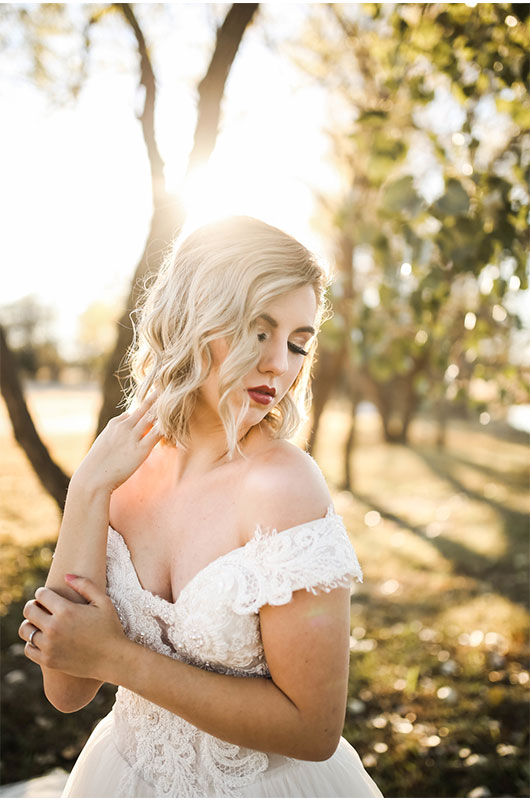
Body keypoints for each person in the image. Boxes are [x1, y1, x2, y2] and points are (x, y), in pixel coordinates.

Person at [19, 216, 383, 798]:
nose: (279, 366)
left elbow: (314, 730)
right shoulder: (118, 466)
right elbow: (66, 689)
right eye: (257, 331)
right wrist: (87, 489)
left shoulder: (284, 486)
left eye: (297, 343)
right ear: (195, 318)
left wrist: (121, 658)